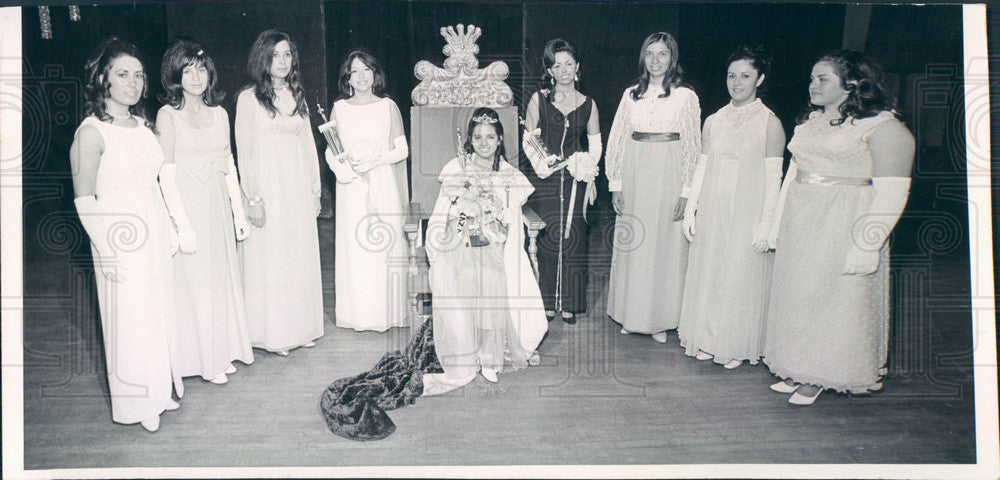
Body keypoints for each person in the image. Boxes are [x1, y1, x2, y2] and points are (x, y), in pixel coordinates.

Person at [763, 50, 914, 405]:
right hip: (803, 219)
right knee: (799, 294)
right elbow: (794, 175)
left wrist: (867, 245)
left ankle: (823, 373)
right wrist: (776, 223)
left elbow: (893, 193)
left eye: (822, 79)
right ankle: (797, 366)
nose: (812, 85)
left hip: (844, 221)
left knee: (833, 298)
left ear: (852, 85)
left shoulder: (883, 127)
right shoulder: (811, 122)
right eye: (812, 78)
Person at [70, 38, 185, 432]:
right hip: (118, 235)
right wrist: (105, 250)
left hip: (153, 226)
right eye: (122, 74)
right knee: (130, 320)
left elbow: (155, 181)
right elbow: (84, 199)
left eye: (138, 75)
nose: (132, 83)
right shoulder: (91, 132)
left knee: (157, 312)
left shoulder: (143, 125)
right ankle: (138, 403)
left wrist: (170, 225)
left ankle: (158, 389)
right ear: (103, 78)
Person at [421, 107, 547, 395]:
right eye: (478, 137)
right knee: (462, 281)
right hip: (461, 245)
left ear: (500, 139)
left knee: (492, 284)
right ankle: (466, 351)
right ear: (470, 140)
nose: (484, 143)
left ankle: (490, 356)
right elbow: (445, 210)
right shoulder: (457, 168)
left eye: (490, 137)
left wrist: (495, 216)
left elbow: (511, 214)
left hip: (495, 245)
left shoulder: (508, 174)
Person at [677, 46, 786, 369]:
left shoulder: (770, 123)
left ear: (760, 79)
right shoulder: (714, 120)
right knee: (711, 271)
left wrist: (767, 224)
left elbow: (773, 178)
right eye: (731, 76)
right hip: (714, 205)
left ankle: (734, 344)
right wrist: (691, 208)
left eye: (745, 76)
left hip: (747, 209)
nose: (737, 83)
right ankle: (708, 338)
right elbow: (702, 166)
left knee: (738, 276)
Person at [156, 40, 254, 385]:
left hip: (215, 204)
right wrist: (181, 226)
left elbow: (227, 164)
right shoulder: (167, 116)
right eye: (187, 70)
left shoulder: (220, 113)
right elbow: (165, 174)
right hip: (188, 205)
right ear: (175, 75)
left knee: (218, 283)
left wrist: (238, 214)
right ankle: (199, 360)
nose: (195, 77)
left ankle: (219, 352)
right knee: (194, 285)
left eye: (200, 68)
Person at [605, 32, 701, 343]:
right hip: (635, 170)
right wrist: (615, 184)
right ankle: (631, 315)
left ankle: (659, 319)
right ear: (643, 58)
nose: (656, 61)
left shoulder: (685, 97)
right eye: (650, 54)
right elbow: (618, 138)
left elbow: (692, 146)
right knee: (636, 240)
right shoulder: (630, 94)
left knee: (663, 246)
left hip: (668, 172)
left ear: (673, 59)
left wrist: (687, 191)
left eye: (662, 54)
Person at [236, 29, 324, 355]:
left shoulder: (296, 94)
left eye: (287, 54)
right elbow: (244, 150)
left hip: (297, 184)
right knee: (272, 256)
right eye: (275, 55)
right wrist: (253, 197)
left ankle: (300, 328)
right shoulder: (249, 98)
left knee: (297, 253)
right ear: (264, 58)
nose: (282, 61)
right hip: (268, 186)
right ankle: (275, 334)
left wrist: (315, 190)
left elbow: (307, 145)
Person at [324, 50, 409, 332]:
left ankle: (385, 314)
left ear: (375, 74)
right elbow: (332, 149)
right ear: (347, 78)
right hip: (352, 187)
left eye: (365, 70)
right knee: (356, 248)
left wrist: (375, 160)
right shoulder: (339, 108)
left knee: (382, 247)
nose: (360, 77)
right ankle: (358, 314)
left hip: (382, 181)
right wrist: (342, 169)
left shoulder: (388, 106)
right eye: (354, 72)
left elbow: (401, 149)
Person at [521, 39, 601, 324]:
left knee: (574, 240)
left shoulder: (589, 105)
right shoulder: (538, 99)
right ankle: (545, 302)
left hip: (576, 180)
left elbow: (595, 145)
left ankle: (570, 303)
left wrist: (587, 168)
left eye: (569, 63)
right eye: (557, 64)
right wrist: (541, 165)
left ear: (577, 67)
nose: (564, 69)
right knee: (546, 239)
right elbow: (529, 139)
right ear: (550, 70)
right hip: (546, 180)